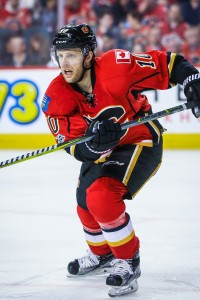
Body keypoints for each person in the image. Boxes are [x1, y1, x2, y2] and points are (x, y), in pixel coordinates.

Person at [41, 23, 200, 297]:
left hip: (140, 139)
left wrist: (191, 80)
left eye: (72, 55)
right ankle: (102, 254)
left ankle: (128, 260)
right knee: (84, 203)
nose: (64, 62)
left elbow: (167, 63)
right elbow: (74, 148)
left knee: (101, 197)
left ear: (89, 55)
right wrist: (94, 147)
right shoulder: (56, 95)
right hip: (105, 150)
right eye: (61, 55)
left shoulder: (117, 66)